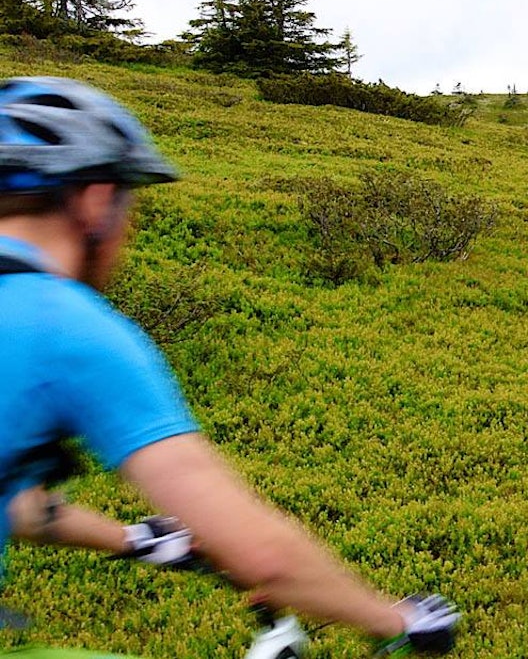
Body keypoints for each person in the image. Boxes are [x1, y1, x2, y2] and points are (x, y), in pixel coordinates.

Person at [0, 77, 458, 654]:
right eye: (128, 207)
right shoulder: (64, 325)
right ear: (95, 200)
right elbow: (263, 556)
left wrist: (135, 538)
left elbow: (17, 503)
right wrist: (396, 619)